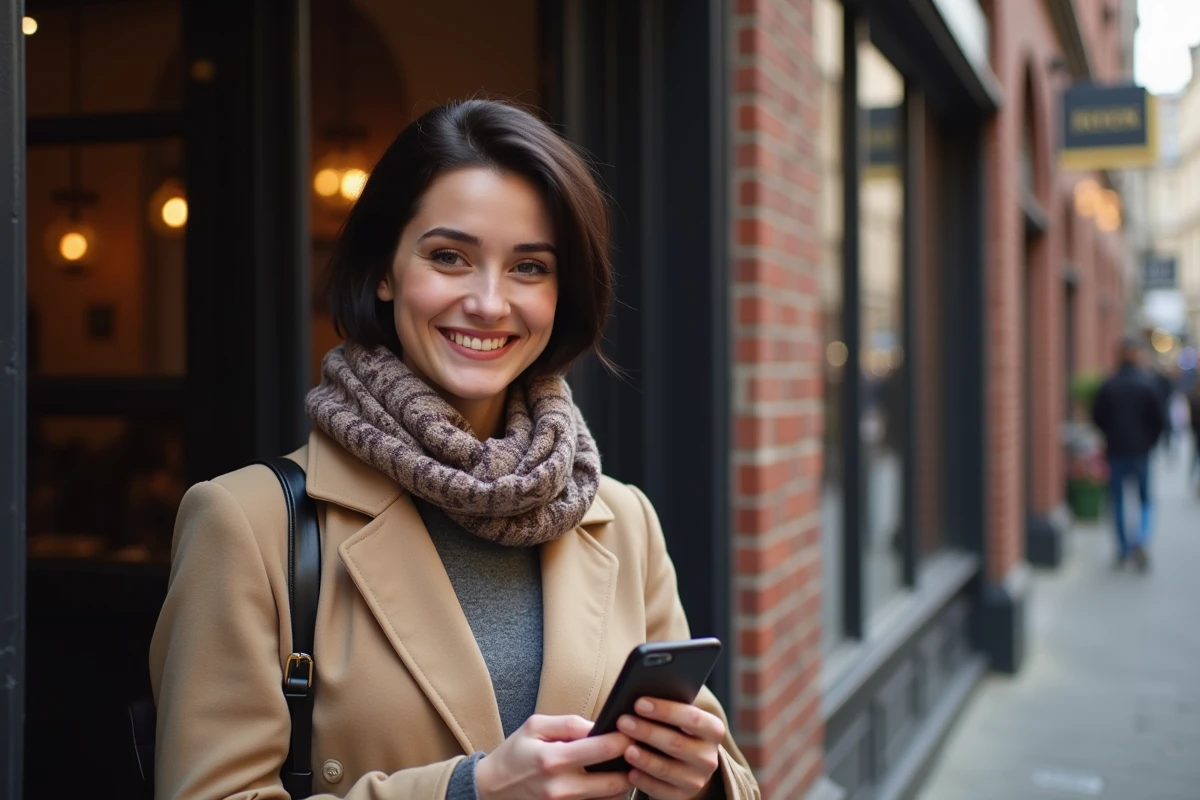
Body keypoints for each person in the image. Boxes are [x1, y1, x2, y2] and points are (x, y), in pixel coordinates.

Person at [150, 99, 759, 800]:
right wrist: (470, 791)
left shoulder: (624, 521)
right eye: (449, 257)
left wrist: (702, 781)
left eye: (529, 267)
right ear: (384, 270)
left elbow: (725, 770)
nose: (490, 303)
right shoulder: (246, 523)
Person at [1091, 339, 1166, 571]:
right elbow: (1159, 420)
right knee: (1144, 499)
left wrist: (1110, 436)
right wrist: (1149, 442)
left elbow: (1097, 418)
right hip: (1141, 452)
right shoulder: (1147, 385)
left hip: (1116, 452)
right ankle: (1141, 539)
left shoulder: (1109, 385)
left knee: (1118, 501)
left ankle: (1124, 549)